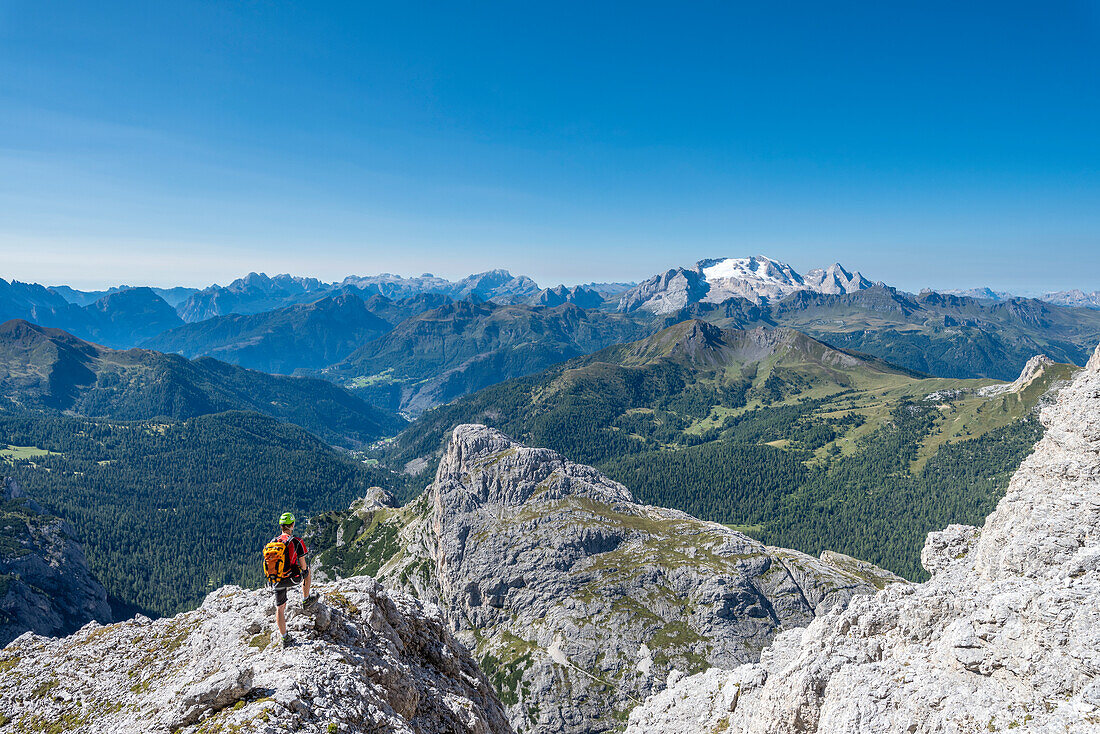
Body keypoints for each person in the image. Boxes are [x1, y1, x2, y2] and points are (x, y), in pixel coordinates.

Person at [269, 512, 317, 646]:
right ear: (292, 525)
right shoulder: (296, 541)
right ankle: (306, 599)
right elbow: (303, 566)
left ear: (281, 526)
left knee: (280, 608)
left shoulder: (274, 542)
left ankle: (284, 637)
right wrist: (302, 572)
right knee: (308, 571)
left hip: (276, 579)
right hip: (292, 578)